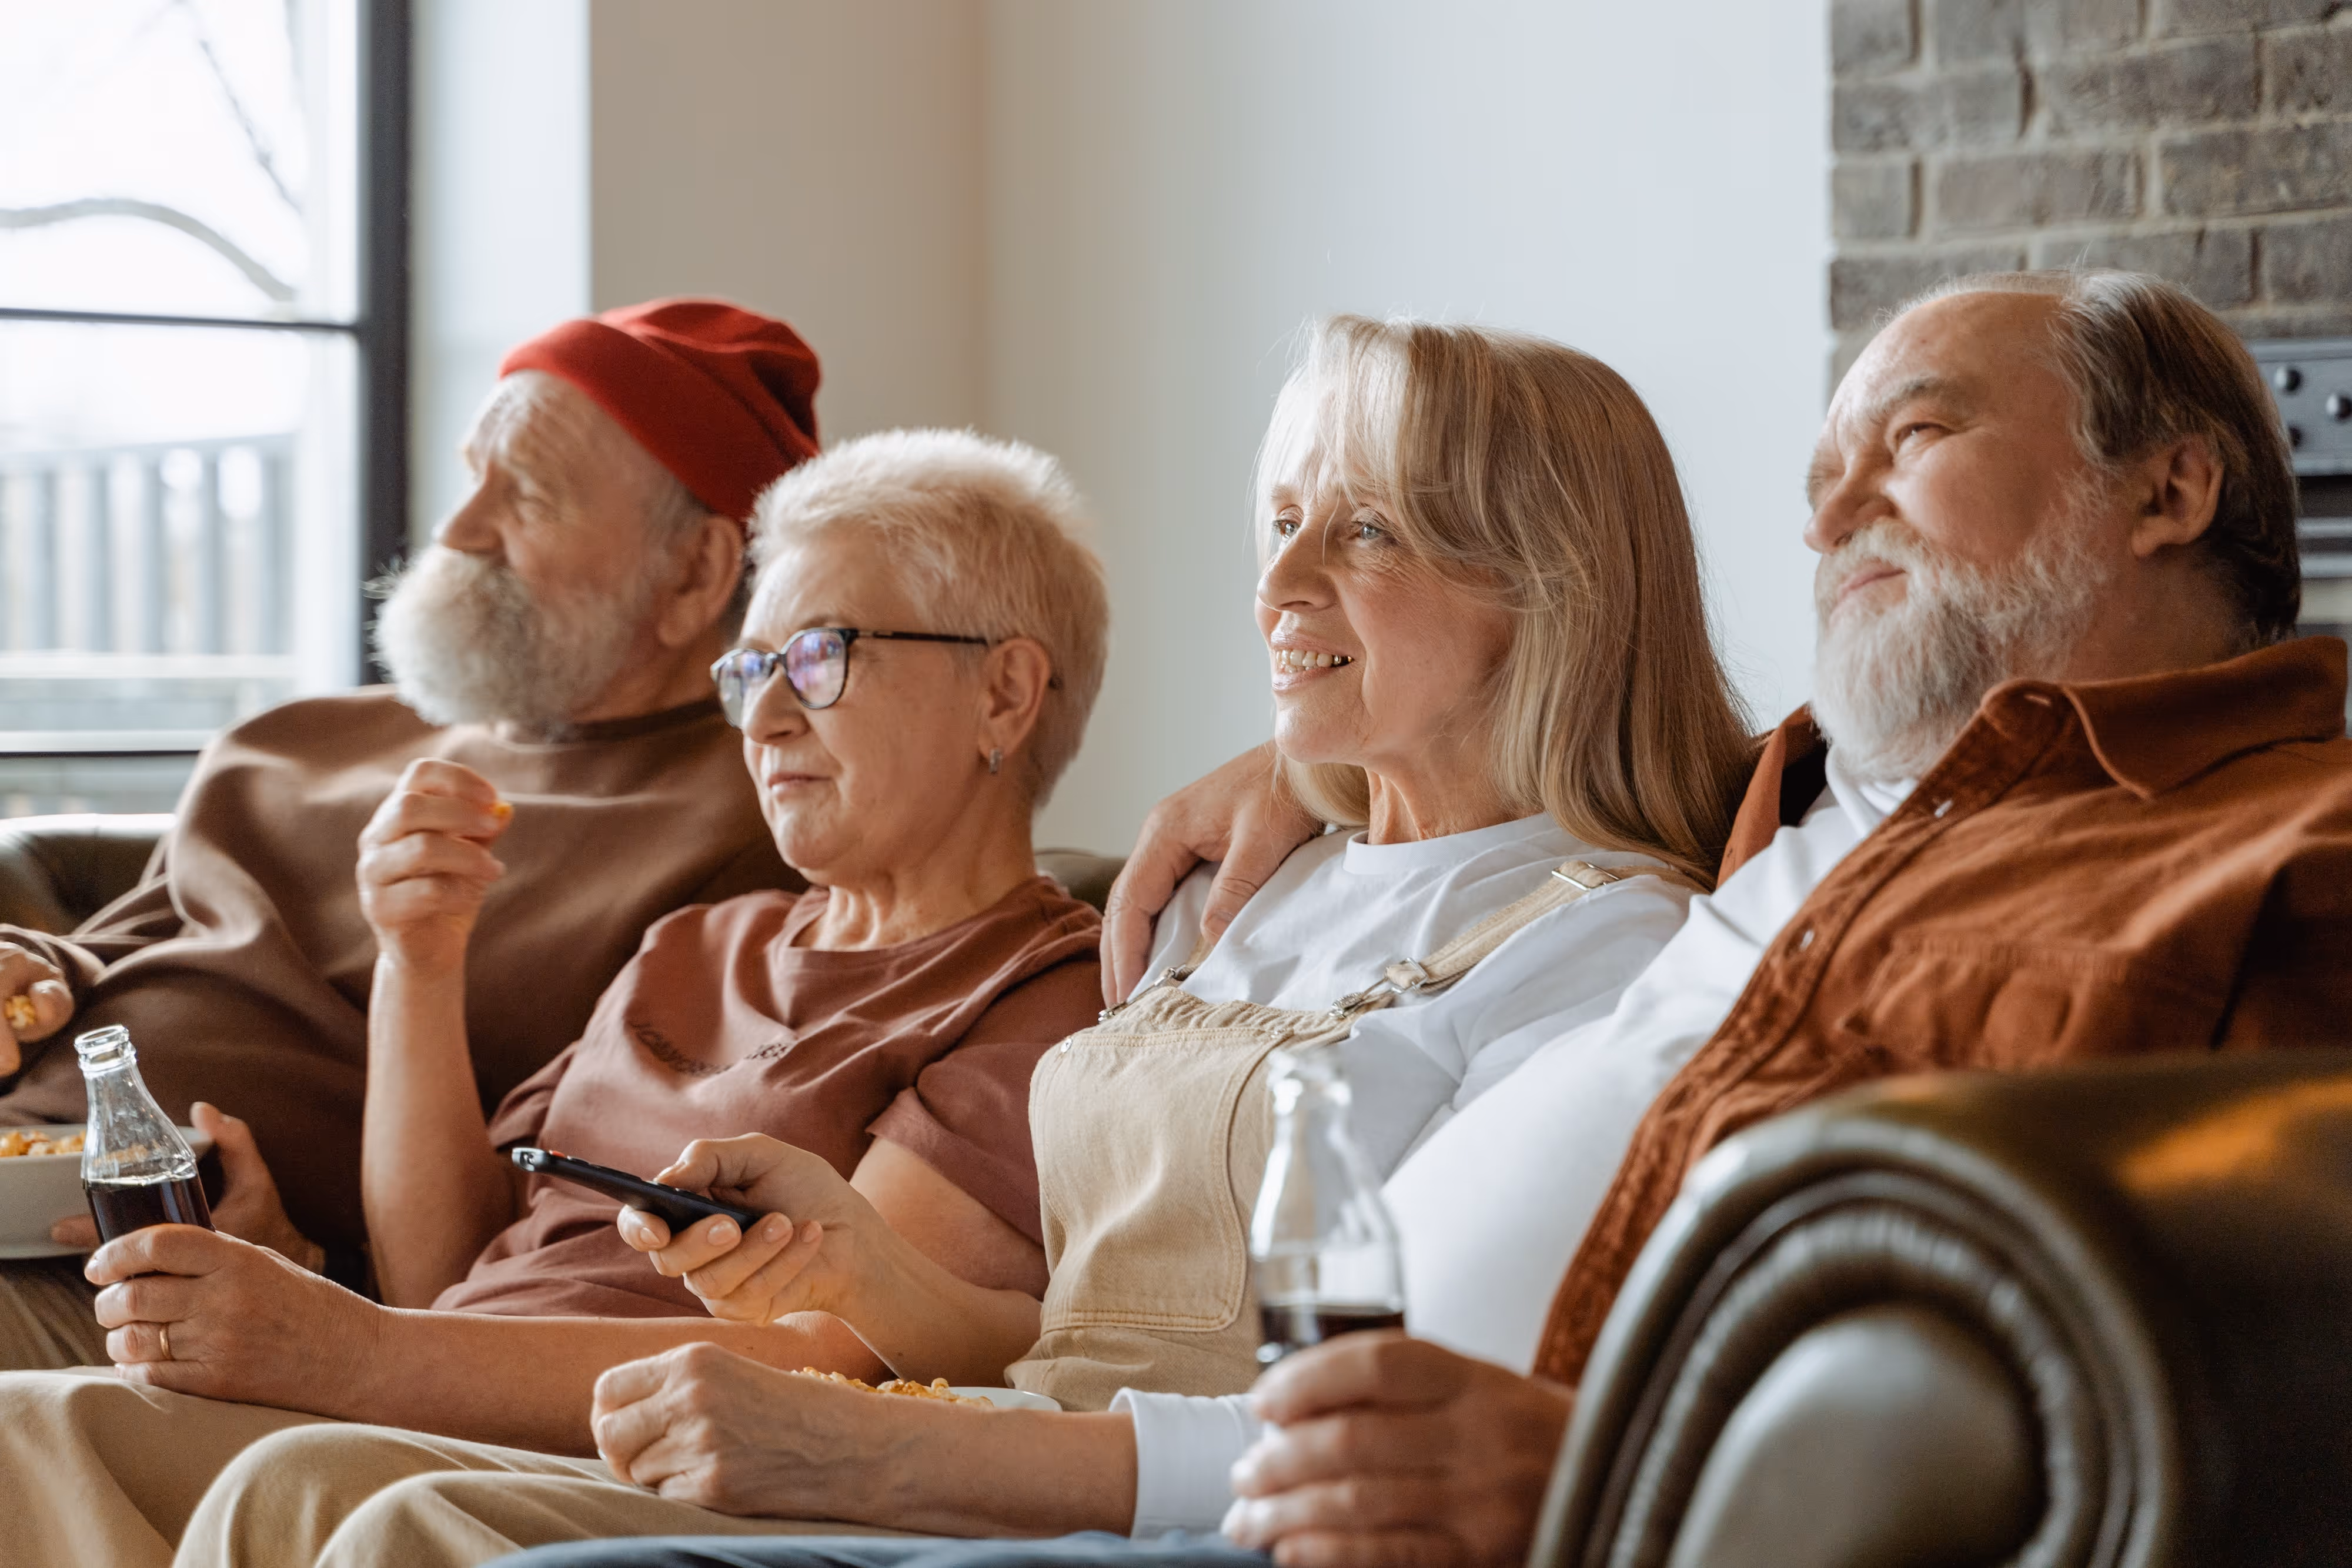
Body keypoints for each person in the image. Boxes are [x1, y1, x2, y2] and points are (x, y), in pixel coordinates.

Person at [500, 267, 2347, 1568]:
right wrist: (1308, 760)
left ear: (2170, 486)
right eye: (1818, 479)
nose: (1825, 513)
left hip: (1459, 1501)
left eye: (1910, 440)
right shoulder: (1801, 800)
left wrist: (1613, 1477)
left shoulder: (2264, 844)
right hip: (1257, 1464)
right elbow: (1538, 744)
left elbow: (2239, 1378)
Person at [133, 313, 1763, 1568]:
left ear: (1549, 586)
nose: (1270, 582)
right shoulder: (1236, 885)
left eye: (1361, 532)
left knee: (356, 1511)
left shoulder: (1610, 954)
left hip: (1081, 1496)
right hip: (999, 1426)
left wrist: (868, 1434)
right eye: (1278, 521)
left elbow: (1376, 1427)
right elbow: (1074, 1326)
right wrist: (871, 1274)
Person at [0, 427, 1115, 1568]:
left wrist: (356, 1355)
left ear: (1005, 693)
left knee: (298, 1482)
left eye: (821, 657)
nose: (770, 717)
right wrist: (418, 964)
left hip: (626, 1459)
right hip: (428, 1398)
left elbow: (843, 1354)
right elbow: (444, 1273)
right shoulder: (693, 941)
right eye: (753, 669)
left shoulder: (1042, 993)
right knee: (19, 1428)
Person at [0, 299, 823, 1368]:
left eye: (522, 494)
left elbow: (568, 1242)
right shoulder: (288, 740)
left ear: (697, 574)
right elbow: (122, 950)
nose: (458, 528)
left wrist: (309, 1264)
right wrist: (39, 972)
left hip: (175, 1294)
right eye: (471, 473)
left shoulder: (752, 833)